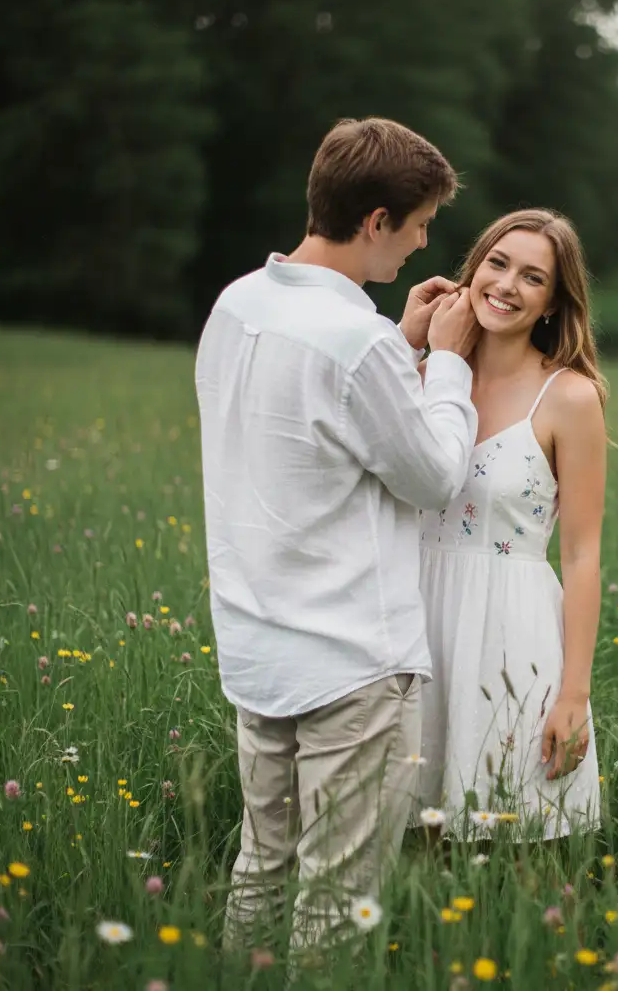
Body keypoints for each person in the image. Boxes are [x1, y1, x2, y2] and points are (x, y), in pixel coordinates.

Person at [194, 117, 481, 951]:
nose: (425, 242)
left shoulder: (237, 304)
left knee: (262, 866)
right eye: (420, 222)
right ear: (375, 222)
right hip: (353, 665)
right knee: (338, 904)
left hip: (257, 646)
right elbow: (431, 475)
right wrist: (450, 363)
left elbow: (311, 421)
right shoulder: (357, 342)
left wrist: (402, 345)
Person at [416, 208, 607, 841]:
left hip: (508, 635)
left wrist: (574, 696)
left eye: (532, 277)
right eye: (497, 263)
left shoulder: (569, 397)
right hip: (412, 624)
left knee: (509, 842)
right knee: (406, 837)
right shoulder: (422, 378)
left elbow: (582, 555)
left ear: (552, 302)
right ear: (473, 270)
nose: (506, 285)